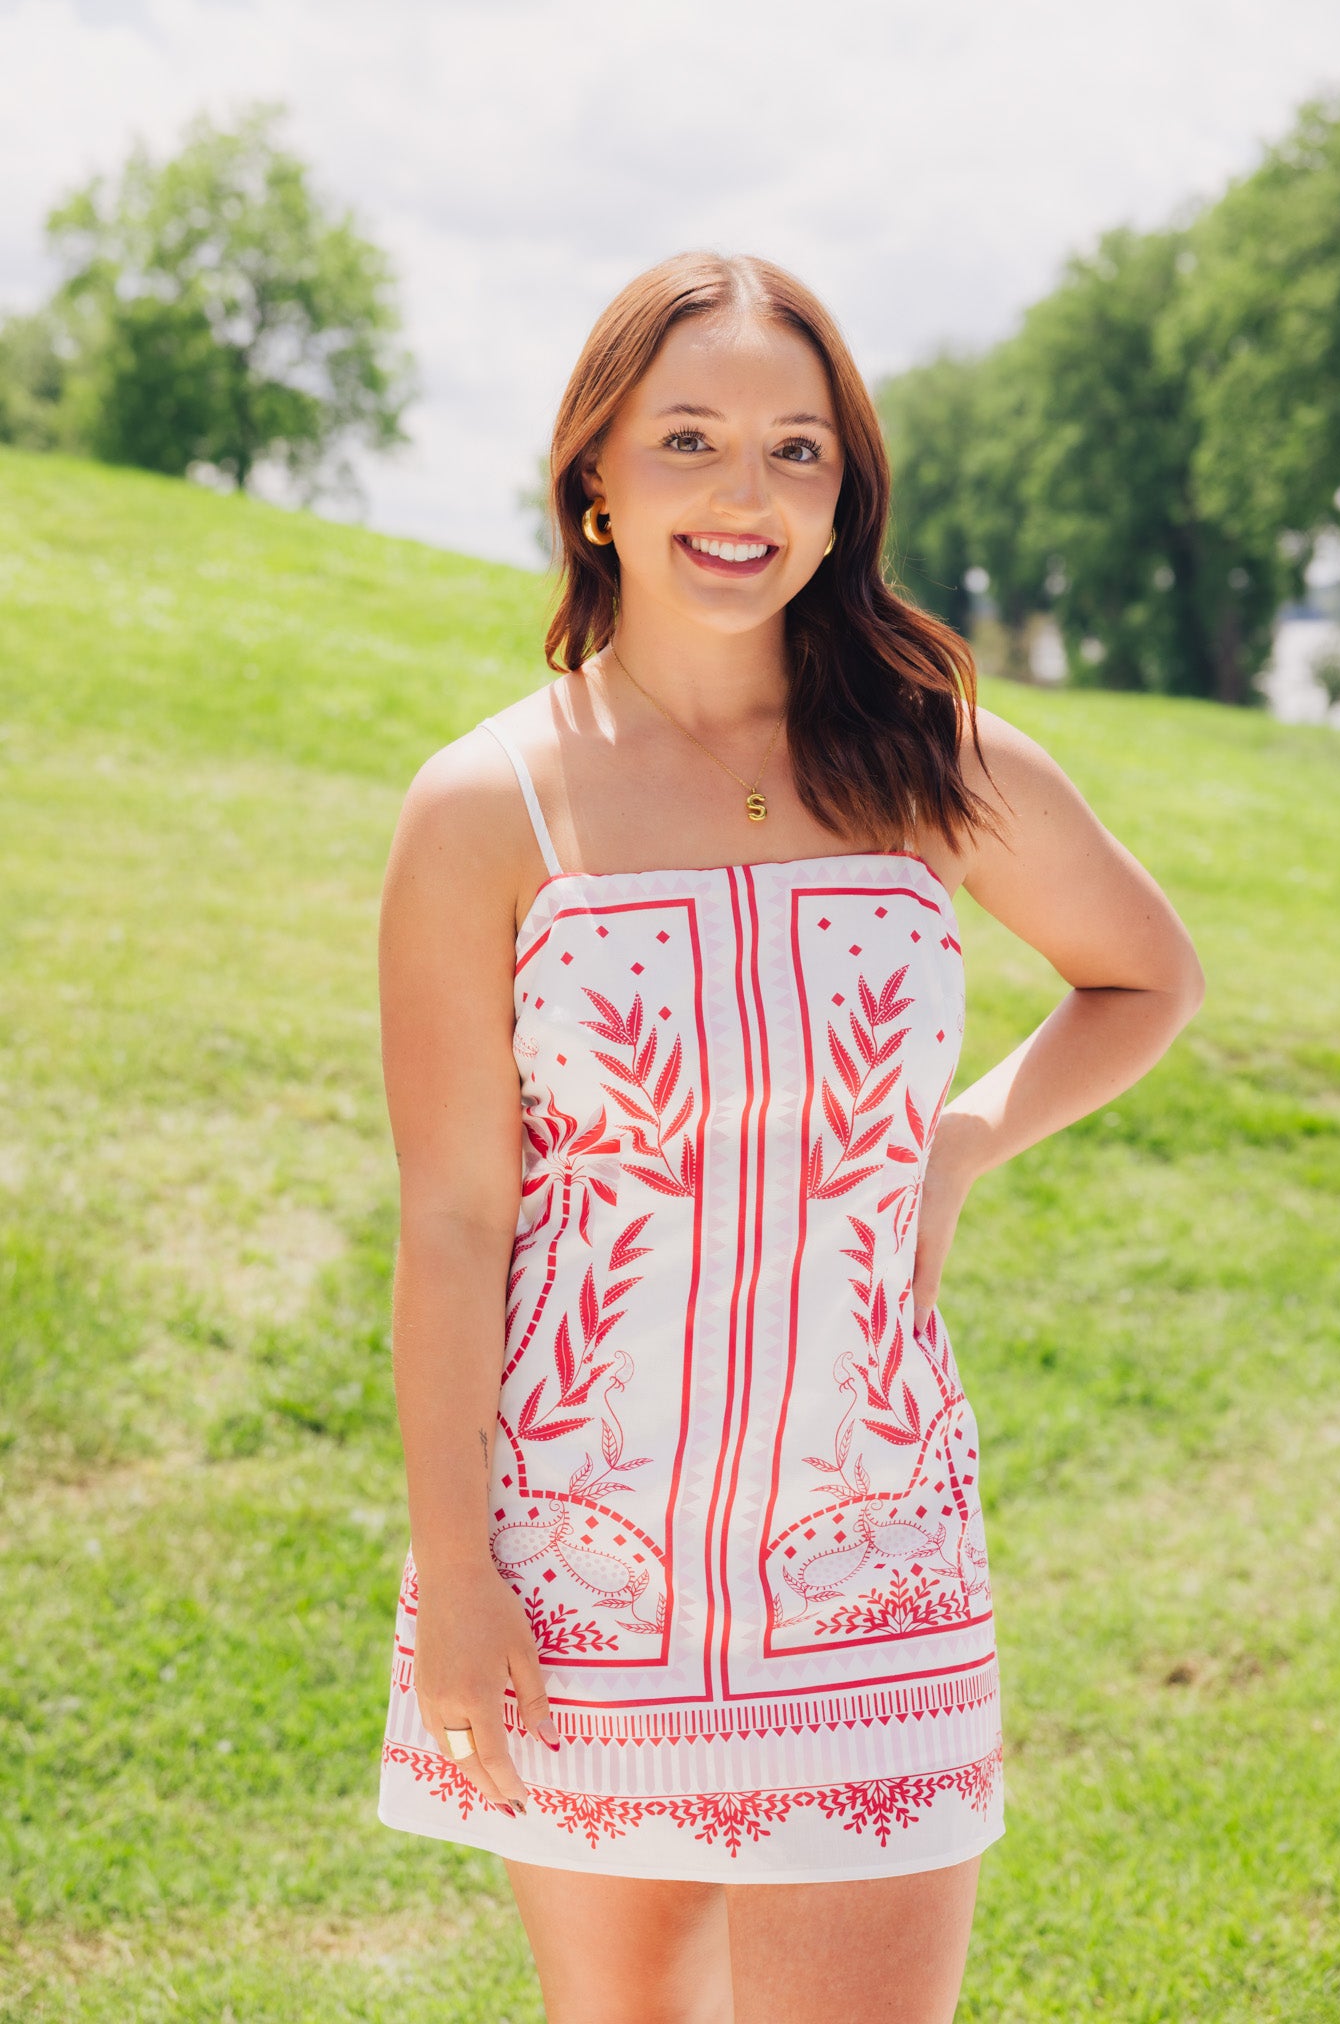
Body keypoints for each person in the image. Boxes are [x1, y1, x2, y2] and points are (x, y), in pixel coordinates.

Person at [374, 252, 1204, 2024]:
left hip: (869, 1558)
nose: (743, 495)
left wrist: (968, 1137)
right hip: (583, 1564)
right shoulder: (484, 805)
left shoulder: (933, 759)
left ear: (846, 491)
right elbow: (453, 1219)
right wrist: (459, 1578)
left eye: (794, 451)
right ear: (596, 477)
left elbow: (1142, 978)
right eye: (688, 441)